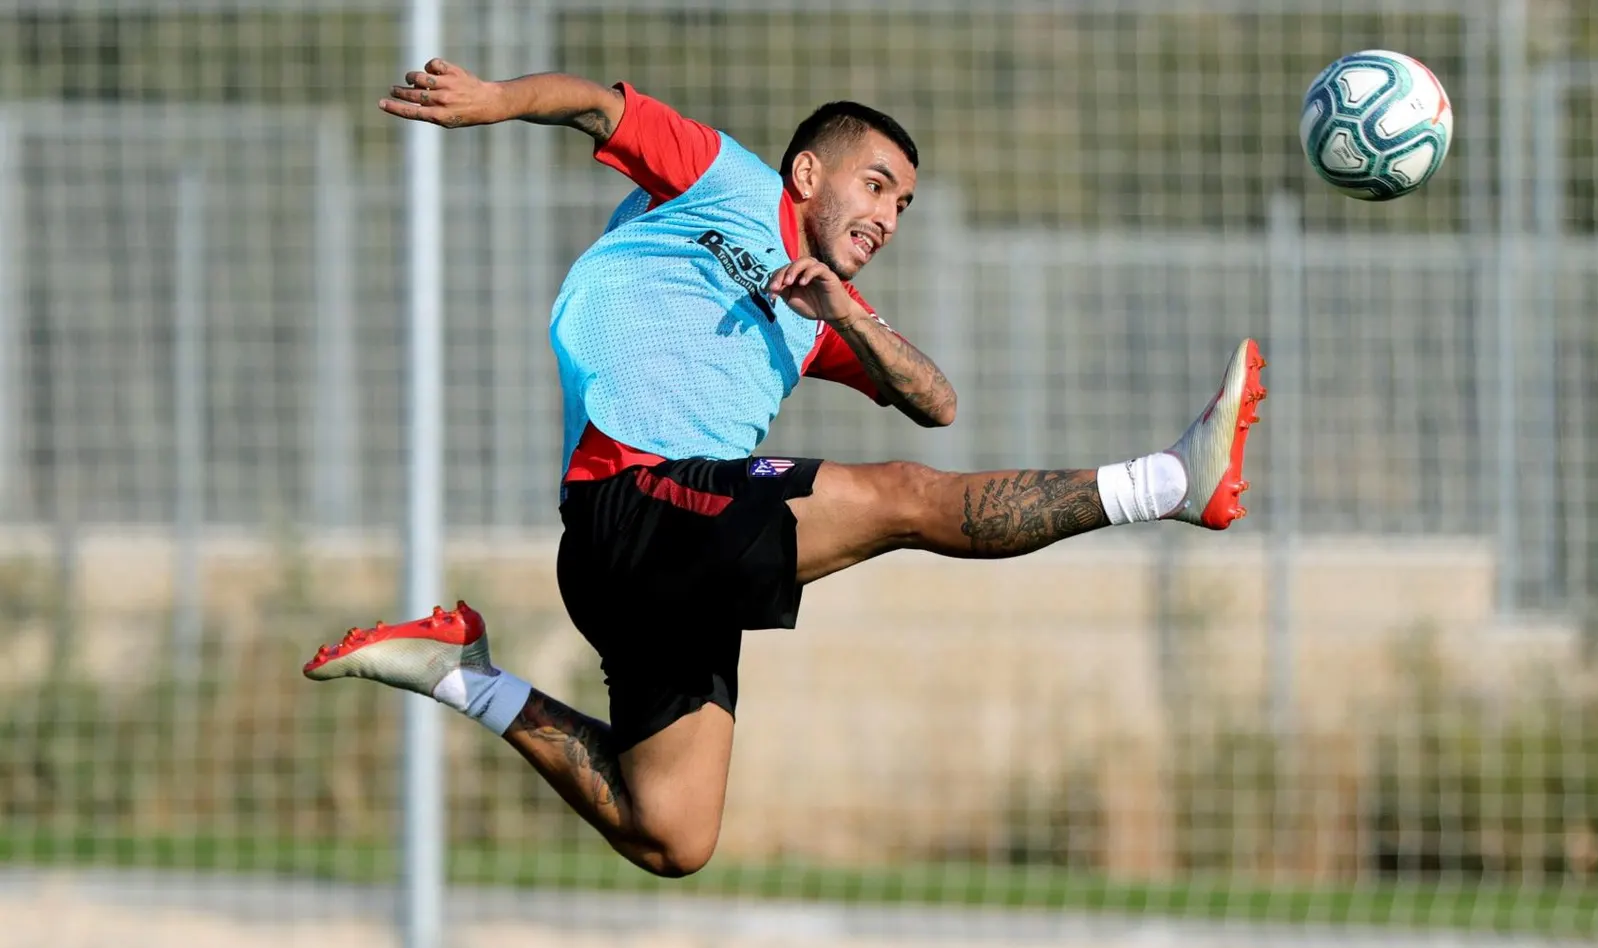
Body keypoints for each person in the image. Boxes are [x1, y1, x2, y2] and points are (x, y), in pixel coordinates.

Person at [305, 59, 1266, 878]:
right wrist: (495, 101)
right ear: (808, 171)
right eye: (877, 184)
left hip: (662, 561)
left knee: (672, 833)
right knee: (901, 498)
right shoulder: (727, 180)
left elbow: (938, 399)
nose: (890, 215)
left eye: (905, 204)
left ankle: (464, 674)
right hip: (635, 498)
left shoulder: (822, 308)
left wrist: (843, 313)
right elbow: (600, 106)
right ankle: (1169, 482)